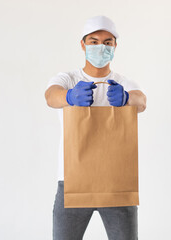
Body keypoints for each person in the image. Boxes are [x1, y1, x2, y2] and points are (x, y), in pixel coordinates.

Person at [44, 15, 147, 240]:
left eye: (107, 42)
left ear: (115, 46)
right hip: (72, 180)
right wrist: (69, 96)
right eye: (94, 41)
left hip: (117, 182)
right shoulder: (69, 79)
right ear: (83, 45)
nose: (101, 47)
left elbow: (142, 101)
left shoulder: (122, 82)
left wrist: (127, 98)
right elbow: (51, 96)